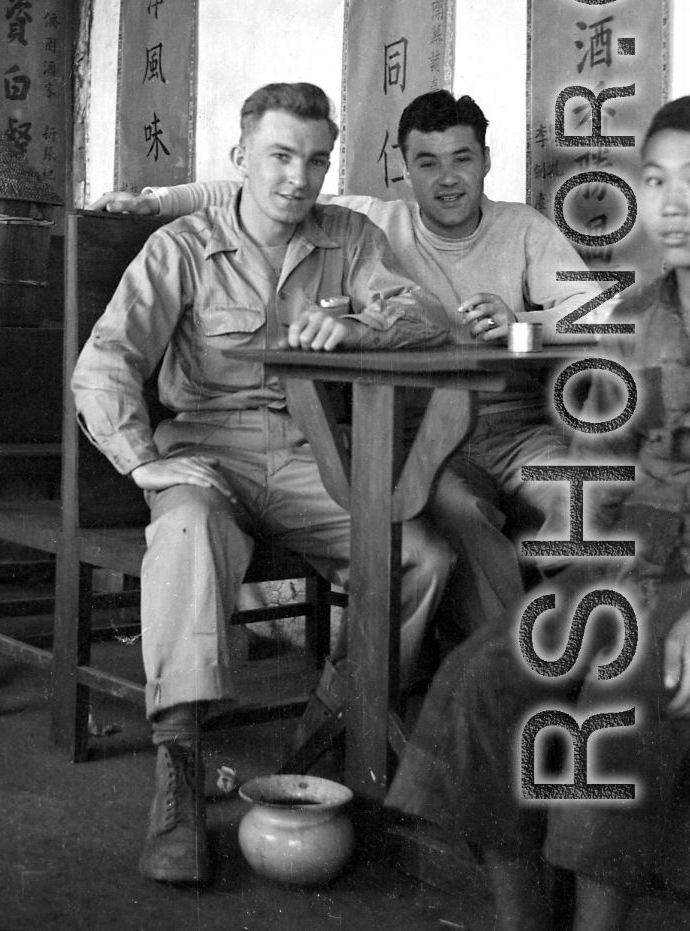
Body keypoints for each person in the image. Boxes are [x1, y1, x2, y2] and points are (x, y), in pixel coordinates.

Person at [72, 82, 451, 885]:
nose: (297, 177)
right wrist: (143, 461)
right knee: (185, 531)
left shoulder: (347, 237)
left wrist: (357, 327)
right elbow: (105, 364)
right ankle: (177, 769)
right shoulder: (181, 246)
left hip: (317, 457)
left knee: (420, 552)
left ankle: (329, 720)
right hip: (210, 453)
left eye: (315, 160)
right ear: (241, 156)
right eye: (279, 155)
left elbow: (421, 316)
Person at [94, 90, 597, 626]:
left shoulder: (524, 229)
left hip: (516, 428)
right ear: (405, 169)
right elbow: (263, 186)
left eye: (463, 159)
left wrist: (524, 325)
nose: (447, 179)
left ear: (487, 161)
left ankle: (564, 638)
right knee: (456, 512)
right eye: (428, 162)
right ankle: (494, 664)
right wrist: (156, 200)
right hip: (424, 435)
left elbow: (598, 308)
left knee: (585, 497)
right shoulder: (374, 219)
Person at [383, 96, 690, 931]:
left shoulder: (529, 236)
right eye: (657, 179)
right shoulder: (646, 313)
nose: (672, 204)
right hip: (633, 553)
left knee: (613, 705)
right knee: (478, 680)